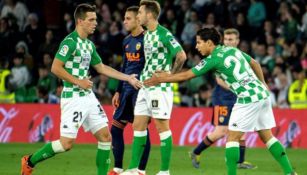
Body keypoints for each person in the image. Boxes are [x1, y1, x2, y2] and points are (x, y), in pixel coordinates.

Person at [144, 28, 297, 175]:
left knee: (232, 139)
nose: (196, 46)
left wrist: (163, 78)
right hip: (262, 95)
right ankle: (290, 172)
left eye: (199, 42)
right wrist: (263, 83)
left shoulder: (213, 59)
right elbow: (255, 63)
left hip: (247, 99)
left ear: (209, 43)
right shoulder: (231, 50)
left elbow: (187, 75)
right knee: (267, 136)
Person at [21, 4, 142, 175]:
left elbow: (101, 67)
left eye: (96, 19)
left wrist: (127, 78)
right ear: (80, 21)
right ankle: (30, 160)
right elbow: (55, 68)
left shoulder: (89, 45)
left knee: (105, 137)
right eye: (91, 20)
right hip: (73, 97)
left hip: (88, 97)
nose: (95, 23)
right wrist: (78, 81)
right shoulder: (69, 42)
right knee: (66, 144)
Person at [122, 1, 187, 175]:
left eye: (140, 12)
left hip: (159, 88)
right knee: (138, 125)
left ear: (149, 15)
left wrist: (170, 77)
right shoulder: (147, 34)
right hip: (145, 85)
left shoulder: (163, 34)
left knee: (161, 126)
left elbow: (181, 55)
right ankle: (134, 169)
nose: (138, 16)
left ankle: (165, 171)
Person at [190, 28, 256, 169]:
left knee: (241, 129)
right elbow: (220, 81)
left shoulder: (238, 54)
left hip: (238, 97)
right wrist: (238, 89)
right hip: (223, 98)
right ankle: (195, 152)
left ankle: (240, 161)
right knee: (222, 131)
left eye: (231, 39)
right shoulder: (219, 55)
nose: (228, 42)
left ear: (237, 41)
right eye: (226, 39)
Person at [108, 6, 150, 175]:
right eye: (124, 18)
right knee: (116, 128)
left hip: (140, 90)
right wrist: (118, 90)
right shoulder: (126, 41)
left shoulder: (147, 39)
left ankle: (141, 170)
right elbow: (124, 65)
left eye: (128, 18)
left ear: (138, 20)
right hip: (126, 89)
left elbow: (151, 64)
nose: (124, 21)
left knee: (141, 131)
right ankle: (118, 168)